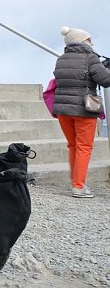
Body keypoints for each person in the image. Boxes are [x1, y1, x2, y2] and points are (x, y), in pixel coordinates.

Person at [52, 26, 110, 198]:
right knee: (84, 147)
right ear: (83, 41)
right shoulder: (90, 57)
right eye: (89, 39)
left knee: (73, 146)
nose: (92, 42)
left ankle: (76, 182)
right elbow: (105, 80)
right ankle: (78, 186)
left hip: (63, 109)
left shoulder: (61, 59)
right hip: (84, 109)